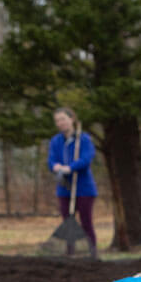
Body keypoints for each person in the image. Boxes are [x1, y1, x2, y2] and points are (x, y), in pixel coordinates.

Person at [47, 107, 98, 258]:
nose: (60, 123)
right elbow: (51, 160)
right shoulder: (56, 141)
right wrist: (55, 166)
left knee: (86, 222)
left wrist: (70, 168)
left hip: (83, 189)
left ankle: (92, 253)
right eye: (57, 120)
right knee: (68, 222)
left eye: (63, 119)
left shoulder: (83, 139)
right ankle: (70, 253)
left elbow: (86, 159)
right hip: (64, 189)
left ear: (71, 119)